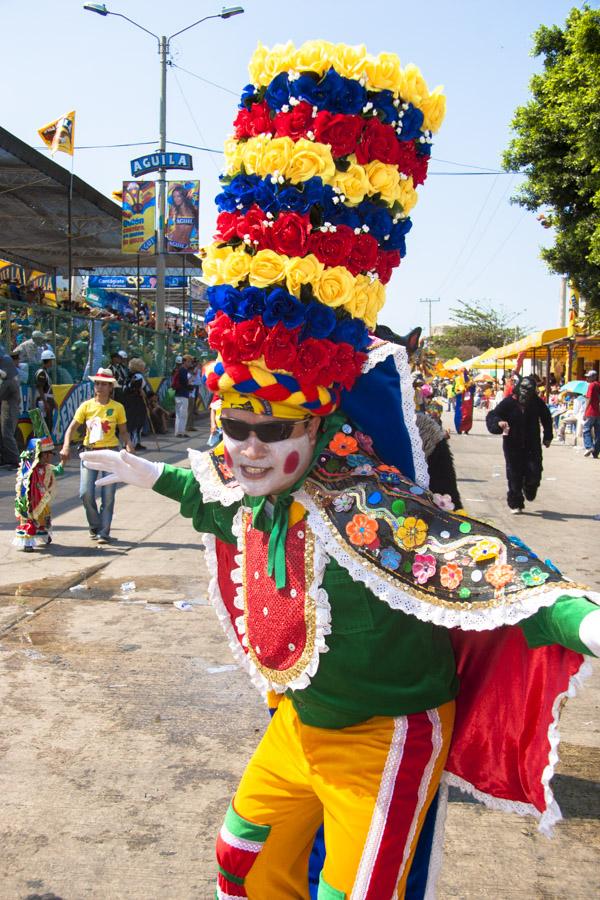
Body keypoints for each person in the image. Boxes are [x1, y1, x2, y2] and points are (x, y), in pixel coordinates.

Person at [80, 40, 600, 900]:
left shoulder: (368, 506)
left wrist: (579, 618)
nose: (243, 447)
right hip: (297, 728)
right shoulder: (250, 490)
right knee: (241, 866)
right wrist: (141, 469)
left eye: (265, 428)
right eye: (231, 424)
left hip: (383, 739)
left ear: (315, 423)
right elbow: (203, 491)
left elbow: (488, 567)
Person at [60, 367, 134, 544]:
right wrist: (65, 447)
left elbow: (123, 431)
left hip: (110, 453)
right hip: (89, 453)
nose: (100, 387)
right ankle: (95, 525)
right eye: (97, 383)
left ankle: (103, 531)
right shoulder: (86, 406)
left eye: (104, 384)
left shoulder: (118, 408)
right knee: (85, 492)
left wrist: (129, 445)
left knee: (108, 495)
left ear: (111, 387)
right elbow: (71, 429)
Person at [486, 375, 553, 513]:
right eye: (523, 388)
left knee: (535, 473)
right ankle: (516, 503)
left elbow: (547, 418)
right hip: (512, 445)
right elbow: (492, 415)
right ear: (518, 388)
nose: (525, 392)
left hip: (532, 444)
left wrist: (548, 436)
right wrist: (498, 423)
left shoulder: (536, 402)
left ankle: (529, 487)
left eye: (529, 389)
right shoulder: (508, 402)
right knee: (514, 475)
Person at [14, 417, 64, 551]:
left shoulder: (47, 468)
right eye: (47, 454)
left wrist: (63, 462)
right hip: (30, 501)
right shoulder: (28, 470)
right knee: (29, 519)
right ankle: (28, 542)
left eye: (50, 454)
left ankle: (43, 534)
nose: (50, 457)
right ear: (38, 455)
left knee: (43, 519)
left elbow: (58, 471)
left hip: (43, 500)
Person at [0, 341, 21, 469]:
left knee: (6, 433)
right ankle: (5, 458)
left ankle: (15, 460)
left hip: (9, 406)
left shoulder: (9, 381)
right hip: (6, 405)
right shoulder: (10, 378)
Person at [34, 349, 57, 434]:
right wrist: (45, 403)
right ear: (48, 360)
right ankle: (44, 443)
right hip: (43, 402)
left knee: (49, 423)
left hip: (47, 401)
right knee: (45, 423)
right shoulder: (41, 373)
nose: (52, 363)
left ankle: (47, 443)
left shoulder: (45, 372)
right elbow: (40, 388)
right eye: (51, 361)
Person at [173, 354, 193, 438]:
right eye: (188, 361)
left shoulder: (179, 370)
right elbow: (185, 382)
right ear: (184, 362)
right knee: (183, 414)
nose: (190, 363)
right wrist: (190, 381)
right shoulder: (183, 370)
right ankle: (181, 432)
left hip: (178, 393)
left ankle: (178, 431)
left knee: (179, 413)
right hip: (183, 394)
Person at [582, 368, 600, 458]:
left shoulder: (591, 385)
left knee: (586, 429)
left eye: (589, 377)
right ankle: (596, 452)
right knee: (598, 432)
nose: (587, 379)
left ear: (594, 377)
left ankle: (589, 446)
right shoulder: (599, 385)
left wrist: (585, 412)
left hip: (591, 411)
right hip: (598, 412)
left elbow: (589, 398)